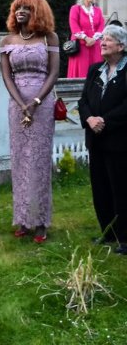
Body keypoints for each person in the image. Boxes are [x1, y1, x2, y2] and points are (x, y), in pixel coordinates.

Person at [0, 0, 60, 243]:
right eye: (17, 8)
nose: (20, 12)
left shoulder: (49, 38)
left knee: (38, 162)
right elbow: (6, 77)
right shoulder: (7, 40)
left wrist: (35, 103)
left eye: (26, 8)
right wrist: (21, 103)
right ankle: (23, 219)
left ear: (38, 12)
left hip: (42, 104)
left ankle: (41, 222)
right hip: (17, 106)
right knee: (20, 161)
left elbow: (54, 72)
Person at [78, 24, 127, 255]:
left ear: (122, 45)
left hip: (119, 141)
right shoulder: (95, 69)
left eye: (108, 39)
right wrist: (89, 119)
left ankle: (125, 238)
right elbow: (82, 101)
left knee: (121, 189)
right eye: (102, 39)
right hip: (96, 141)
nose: (103, 42)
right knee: (101, 189)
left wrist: (103, 121)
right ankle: (108, 232)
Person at [67, 0, 105, 78]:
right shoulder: (75, 8)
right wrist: (86, 38)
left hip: (95, 44)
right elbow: (74, 26)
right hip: (80, 45)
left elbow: (101, 26)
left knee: (96, 69)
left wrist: (94, 39)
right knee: (81, 70)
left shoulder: (98, 10)